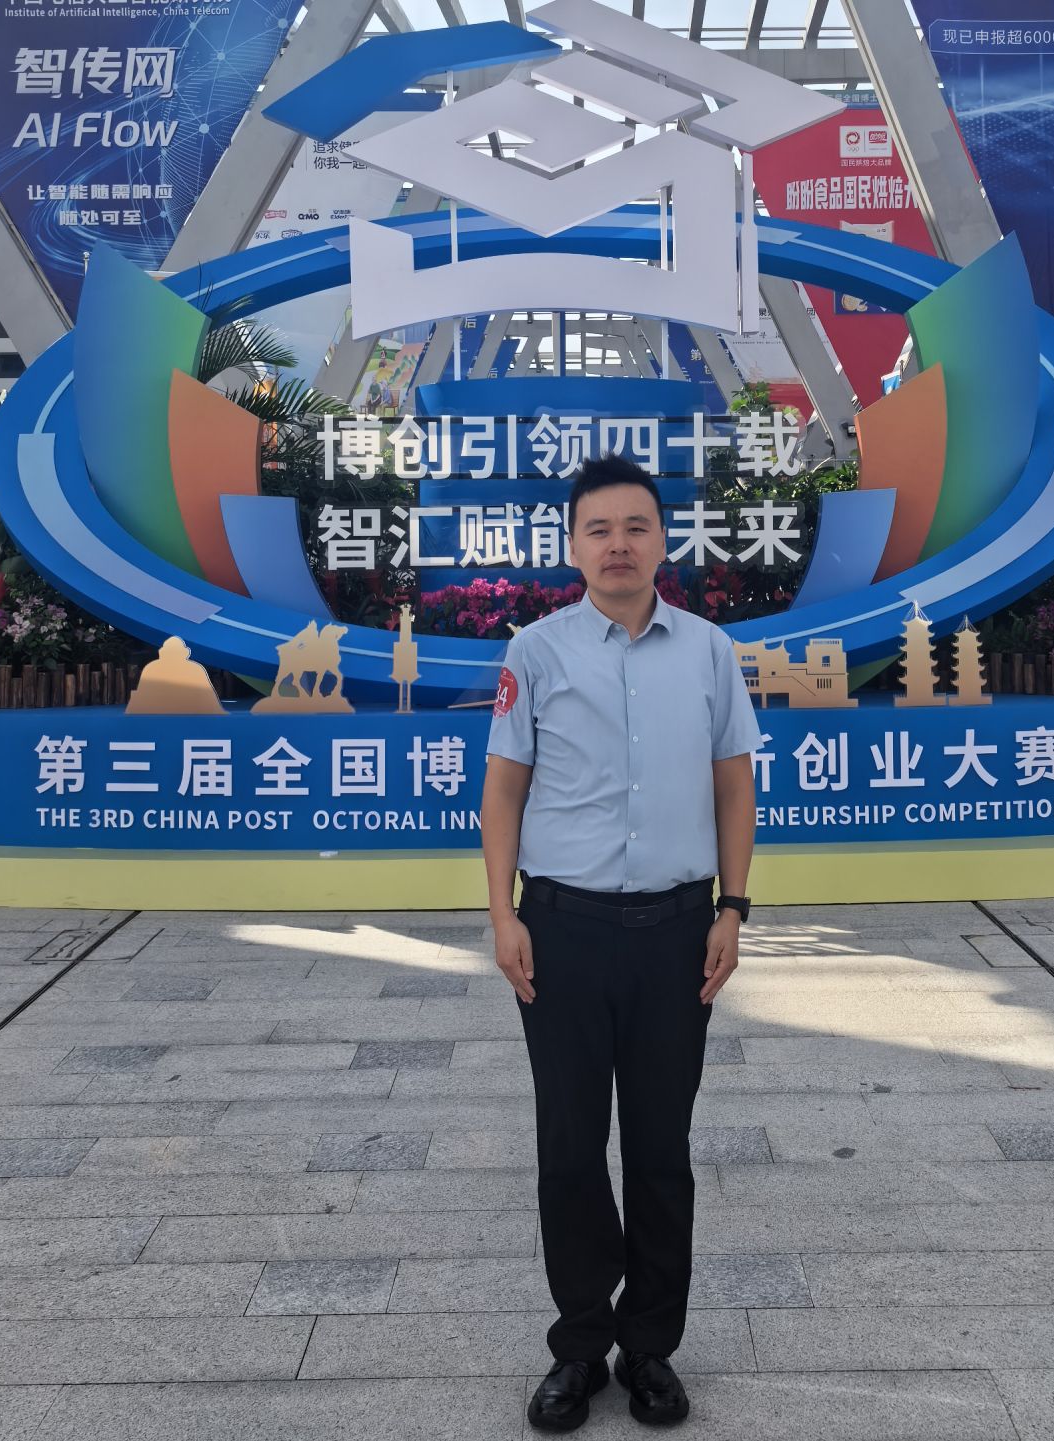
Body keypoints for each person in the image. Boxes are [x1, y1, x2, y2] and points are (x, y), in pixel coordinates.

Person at [482, 454, 759, 1432]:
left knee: (659, 1148)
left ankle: (648, 1348)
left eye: (635, 526)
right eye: (597, 529)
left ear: (662, 540)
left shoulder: (709, 652)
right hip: (561, 930)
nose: (617, 545)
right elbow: (503, 792)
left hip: (677, 932)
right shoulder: (536, 652)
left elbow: (734, 784)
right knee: (567, 1146)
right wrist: (503, 915)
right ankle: (577, 1346)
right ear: (572, 545)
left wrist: (733, 907)